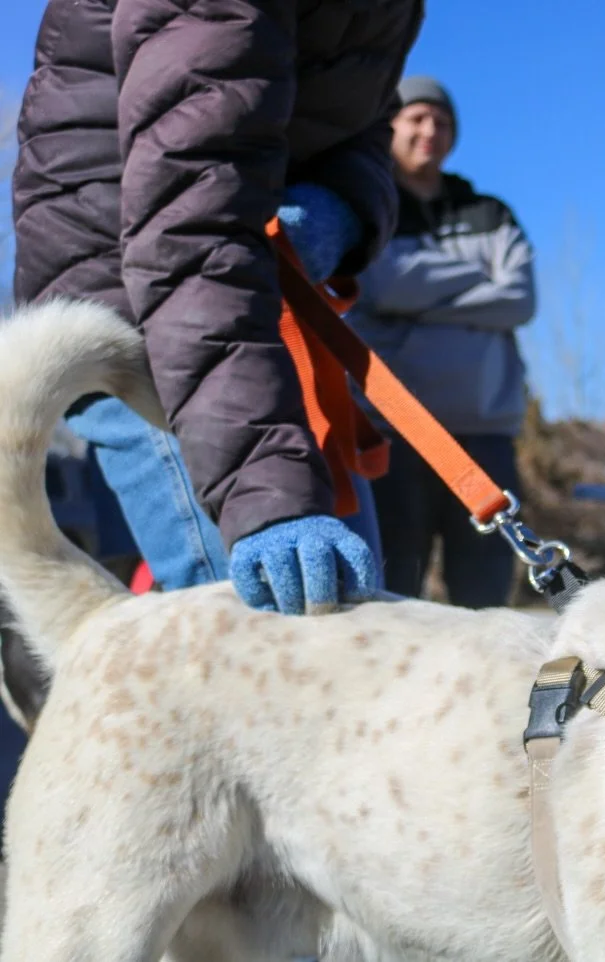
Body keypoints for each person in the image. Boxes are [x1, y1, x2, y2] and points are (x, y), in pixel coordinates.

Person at [10, 0, 425, 618]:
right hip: (141, 304)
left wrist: (342, 206)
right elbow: (188, 221)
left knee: (353, 623)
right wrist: (267, 499)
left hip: (252, 292)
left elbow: (363, 121)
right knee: (290, 662)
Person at [347, 76, 538, 609]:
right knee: (391, 591)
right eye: (417, 117)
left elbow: (519, 298)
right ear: (390, 126)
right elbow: (381, 283)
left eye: (442, 120)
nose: (430, 130)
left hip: (485, 434)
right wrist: (476, 282)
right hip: (395, 428)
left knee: (486, 597)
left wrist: (416, 303)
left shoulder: (490, 213)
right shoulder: (367, 207)